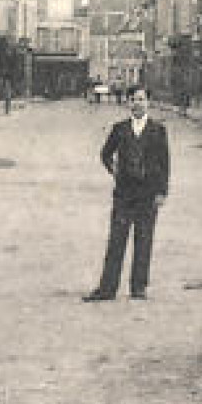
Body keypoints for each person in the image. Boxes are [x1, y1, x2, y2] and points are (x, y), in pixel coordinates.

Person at [83, 86, 170, 302]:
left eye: (141, 99)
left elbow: (165, 164)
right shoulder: (119, 129)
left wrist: (161, 192)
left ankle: (138, 287)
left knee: (144, 240)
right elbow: (105, 154)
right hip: (124, 194)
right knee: (116, 241)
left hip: (148, 195)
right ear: (128, 103)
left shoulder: (158, 131)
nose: (137, 103)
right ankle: (107, 289)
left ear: (148, 102)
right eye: (133, 99)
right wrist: (114, 170)